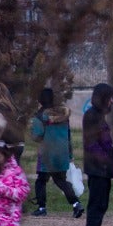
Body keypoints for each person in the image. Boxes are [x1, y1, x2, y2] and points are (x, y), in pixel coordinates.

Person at [27, 89, 81, 218]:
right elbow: (68, 136)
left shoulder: (40, 117)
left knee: (41, 181)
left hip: (47, 154)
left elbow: (37, 136)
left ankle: (42, 207)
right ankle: (76, 204)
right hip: (62, 153)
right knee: (60, 181)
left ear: (40, 101)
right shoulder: (63, 116)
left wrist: (31, 132)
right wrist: (70, 155)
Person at [81, 82, 113, 226]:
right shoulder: (91, 116)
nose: (112, 101)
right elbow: (92, 144)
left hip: (102, 170)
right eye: (110, 98)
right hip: (98, 170)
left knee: (101, 205)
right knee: (96, 206)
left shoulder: (98, 116)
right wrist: (104, 161)